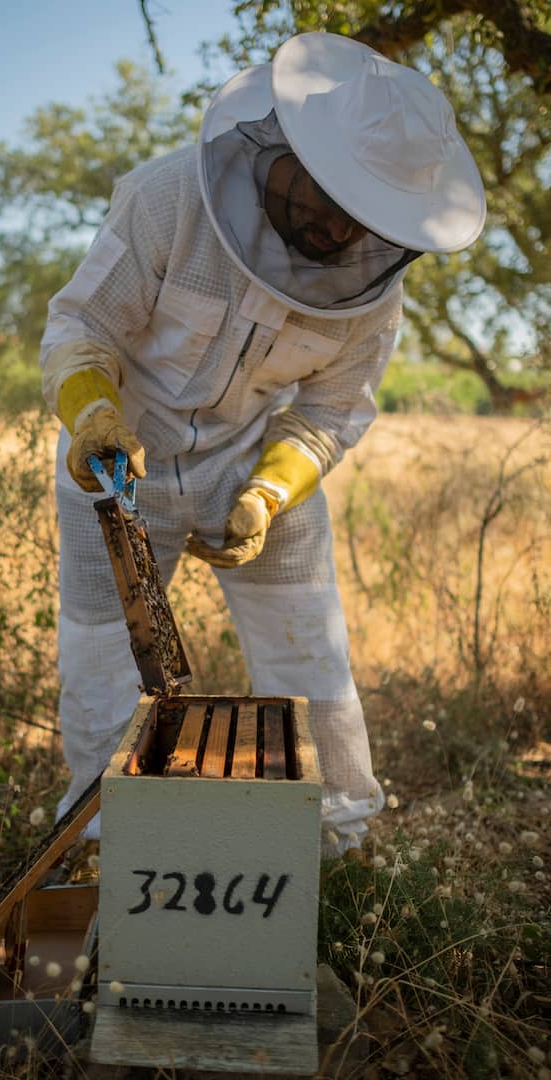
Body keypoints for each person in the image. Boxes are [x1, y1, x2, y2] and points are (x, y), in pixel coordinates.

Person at [40, 32, 485, 853]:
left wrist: (268, 493)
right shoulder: (169, 197)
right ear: (287, 152)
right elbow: (81, 325)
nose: (331, 230)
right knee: (101, 655)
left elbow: (331, 413)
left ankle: (337, 836)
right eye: (323, 199)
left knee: (309, 648)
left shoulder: (371, 302)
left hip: (253, 468)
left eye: (359, 219)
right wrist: (94, 415)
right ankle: (100, 838)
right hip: (118, 462)